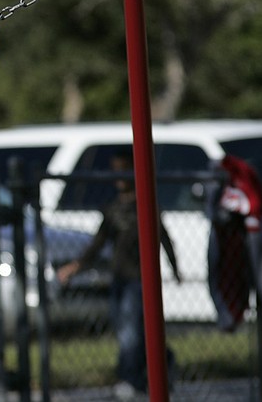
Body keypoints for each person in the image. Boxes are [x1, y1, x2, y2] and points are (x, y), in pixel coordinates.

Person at [56, 151, 181, 399]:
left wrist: (175, 269)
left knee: (132, 332)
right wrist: (75, 266)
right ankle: (163, 362)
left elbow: (164, 238)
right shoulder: (113, 210)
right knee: (131, 331)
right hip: (120, 279)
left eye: (124, 170)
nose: (119, 177)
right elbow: (97, 244)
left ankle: (130, 379)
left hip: (140, 279)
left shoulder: (146, 206)